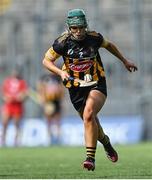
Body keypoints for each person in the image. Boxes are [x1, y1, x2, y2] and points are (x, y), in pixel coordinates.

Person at [42, 9, 138, 171]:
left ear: (86, 26)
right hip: (75, 88)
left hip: (96, 83)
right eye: (75, 28)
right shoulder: (62, 43)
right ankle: (106, 143)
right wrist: (61, 72)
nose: (78, 31)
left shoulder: (94, 38)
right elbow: (46, 61)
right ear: (69, 28)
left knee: (88, 114)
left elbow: (109, 45)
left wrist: (124, 60)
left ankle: (90, 158)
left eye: (81, 27)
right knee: (90, 121)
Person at [1, 69, 28, 146]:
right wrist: (6, 98)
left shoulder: (22, 82)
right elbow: (4, 94)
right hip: (8, 105)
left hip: (17, 106)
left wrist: (21, 97)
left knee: (17, 124)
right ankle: (3, 140)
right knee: (4, 122)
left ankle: (16, 141)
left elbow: (24, 94)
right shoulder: (7, 81)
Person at [36, 72, 64, 144]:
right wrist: (41, 98)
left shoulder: (57, 78)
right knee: (49, 120)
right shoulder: (43, 77)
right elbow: (40, 88)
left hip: (56, 101)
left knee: (57, 120)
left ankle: (58, 138)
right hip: (48, 101)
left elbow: (61, 89)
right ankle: (49, 137)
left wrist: (61, 99)